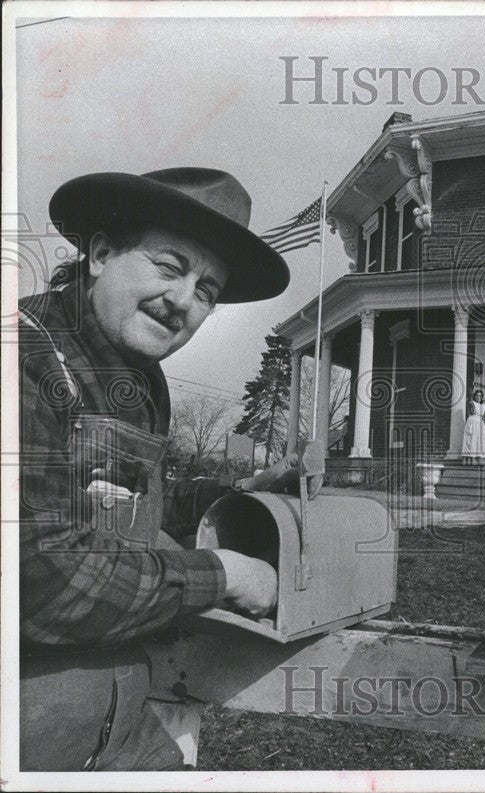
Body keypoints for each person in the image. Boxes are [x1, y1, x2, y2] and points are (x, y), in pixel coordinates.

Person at [18, 168, 290, 771]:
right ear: (101, 252)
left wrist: (239, 496)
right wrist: (223, 574)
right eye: (169, 267)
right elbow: (37, 579)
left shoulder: (141, 379)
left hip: (120, 733)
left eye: (207, 290)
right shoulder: (21, 358)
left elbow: (121, 502)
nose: (182, 302)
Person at [461, 389, 485, 465]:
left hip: (480, 423)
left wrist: (484, 424)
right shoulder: (472, 403)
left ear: (482, 397)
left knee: (480, 441)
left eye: (480, 396)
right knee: (471, 441)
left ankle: (479, 459)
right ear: (474, 396)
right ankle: (470, 460)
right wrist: (471, 396)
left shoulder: (484, 406)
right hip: (472, 422)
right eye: (477, 395)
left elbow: (484, 416)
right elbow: (472, 411)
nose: (478, 397)